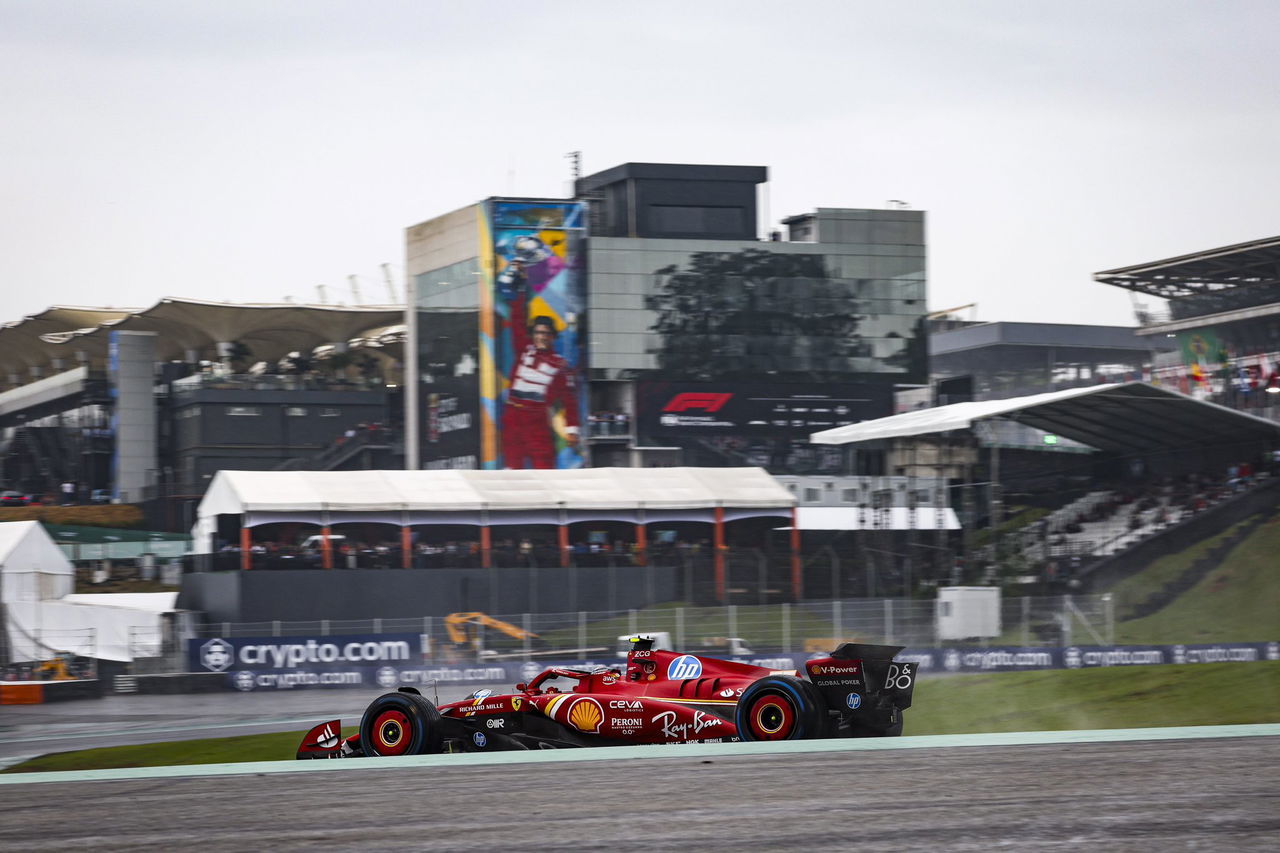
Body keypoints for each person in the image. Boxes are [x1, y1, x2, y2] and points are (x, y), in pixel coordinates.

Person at [499, 257, 580, 468]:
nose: (541, 336)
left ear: (553, 337)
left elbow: (569, 401)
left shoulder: (560, 366)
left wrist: (572, 430)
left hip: (536, 419)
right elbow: (517, 320)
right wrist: (522, 289)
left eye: (546, 333)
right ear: (532, 334)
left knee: (544, 468)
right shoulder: (525, 348)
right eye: (537, 332)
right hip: (513, 415)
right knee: (510, 470)